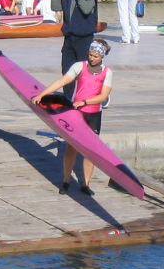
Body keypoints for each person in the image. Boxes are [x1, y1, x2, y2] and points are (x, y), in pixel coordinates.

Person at [31, 38, 113, 196]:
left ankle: (86, 184)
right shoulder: (79, 67)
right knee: (71, 148)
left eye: (95, 56)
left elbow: (103, 96)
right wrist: (42, 94)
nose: (92, 58)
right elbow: (62, 81)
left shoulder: (107, 72)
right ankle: (66, 181)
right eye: (90, 55)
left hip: (94, 115)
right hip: (76, 113)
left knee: (91, 152)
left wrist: (85, 102)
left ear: (102, 56)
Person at [59, 0, 99, 95]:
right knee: (67, 70)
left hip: (84, 38)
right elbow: (55, 7)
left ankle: (86, 95)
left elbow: (86, 10)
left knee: (84, 70)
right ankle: (68, 97)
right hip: (69, 38)